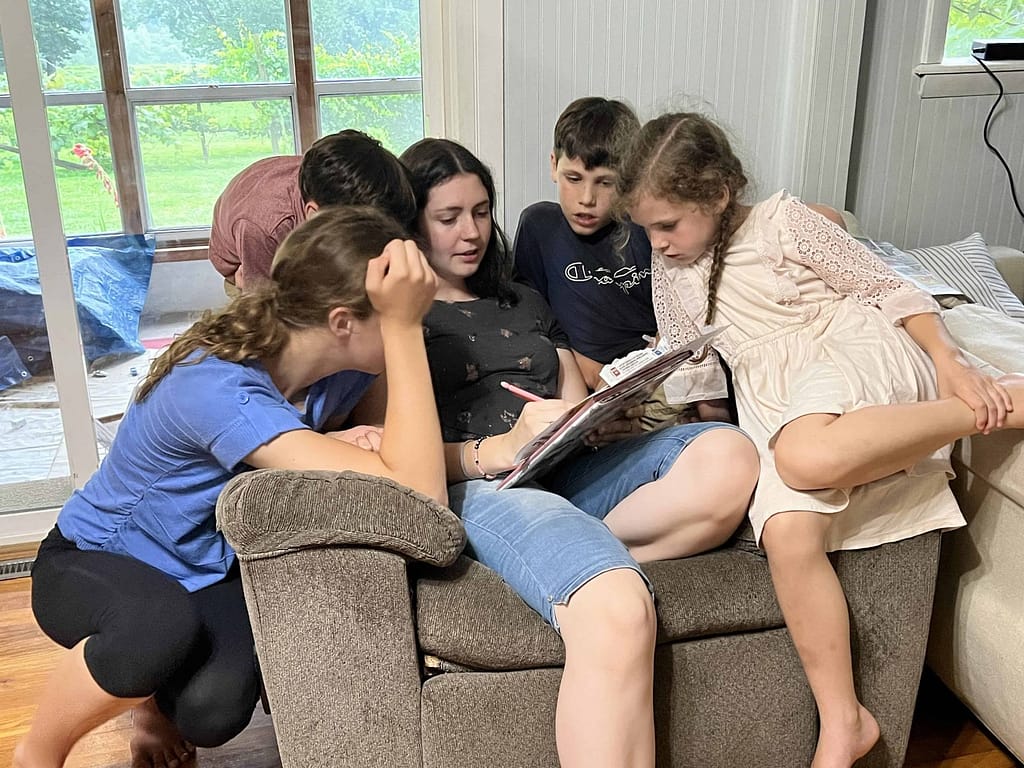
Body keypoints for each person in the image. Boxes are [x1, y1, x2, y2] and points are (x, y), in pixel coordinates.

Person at [617, 111, 1024, 768]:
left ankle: (988, 408)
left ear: (718, 193)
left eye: (667, 225)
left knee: (805, 458)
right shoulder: (673, 271)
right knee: (785, 532)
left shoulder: (784, 220)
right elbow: (697, 381)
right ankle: (845, 720)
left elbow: (892, 287)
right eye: (646, 230)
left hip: (849, 353)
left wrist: (950, 360)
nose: (657, 243)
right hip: (774, 399)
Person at [14, 206, 445, 768]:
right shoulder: (217, 387)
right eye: (396, 315)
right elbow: (421, 495)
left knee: (213, 714)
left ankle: (149, 697)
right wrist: (404, 331)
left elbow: (404, 476)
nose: (419, 326)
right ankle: (39, 751)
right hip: (96, 558)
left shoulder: (348, 368)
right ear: (343, 323)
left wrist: (494, 451)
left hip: (203, 564)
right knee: (154, 629)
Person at [400, 136, 760, 768]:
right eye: (449, 217)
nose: (472, 232)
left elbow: (569, 392)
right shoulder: (404, 318)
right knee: (619, 604)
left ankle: (559, 563)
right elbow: (403, 458)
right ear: (413, 222)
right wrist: (496, 449)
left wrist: (599, 416)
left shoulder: (525, 299)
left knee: (729, 456)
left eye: (482, 211)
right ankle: (581, 573)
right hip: (487, 487)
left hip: (567, 469)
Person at [513, 97, 657, 390]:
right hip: (581, 386)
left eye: (605, 183)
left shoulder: (647, 226)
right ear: (554, 165)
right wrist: (596, 377)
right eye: (574, 178)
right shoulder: (539, 227)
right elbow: (534, 328)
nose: (587, 198)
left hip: (652, 381)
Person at [208, 129, 416, 291]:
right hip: (243, 265)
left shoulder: (337, 177)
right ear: (313, 214)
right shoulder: (265, 228)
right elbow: (260, 309)